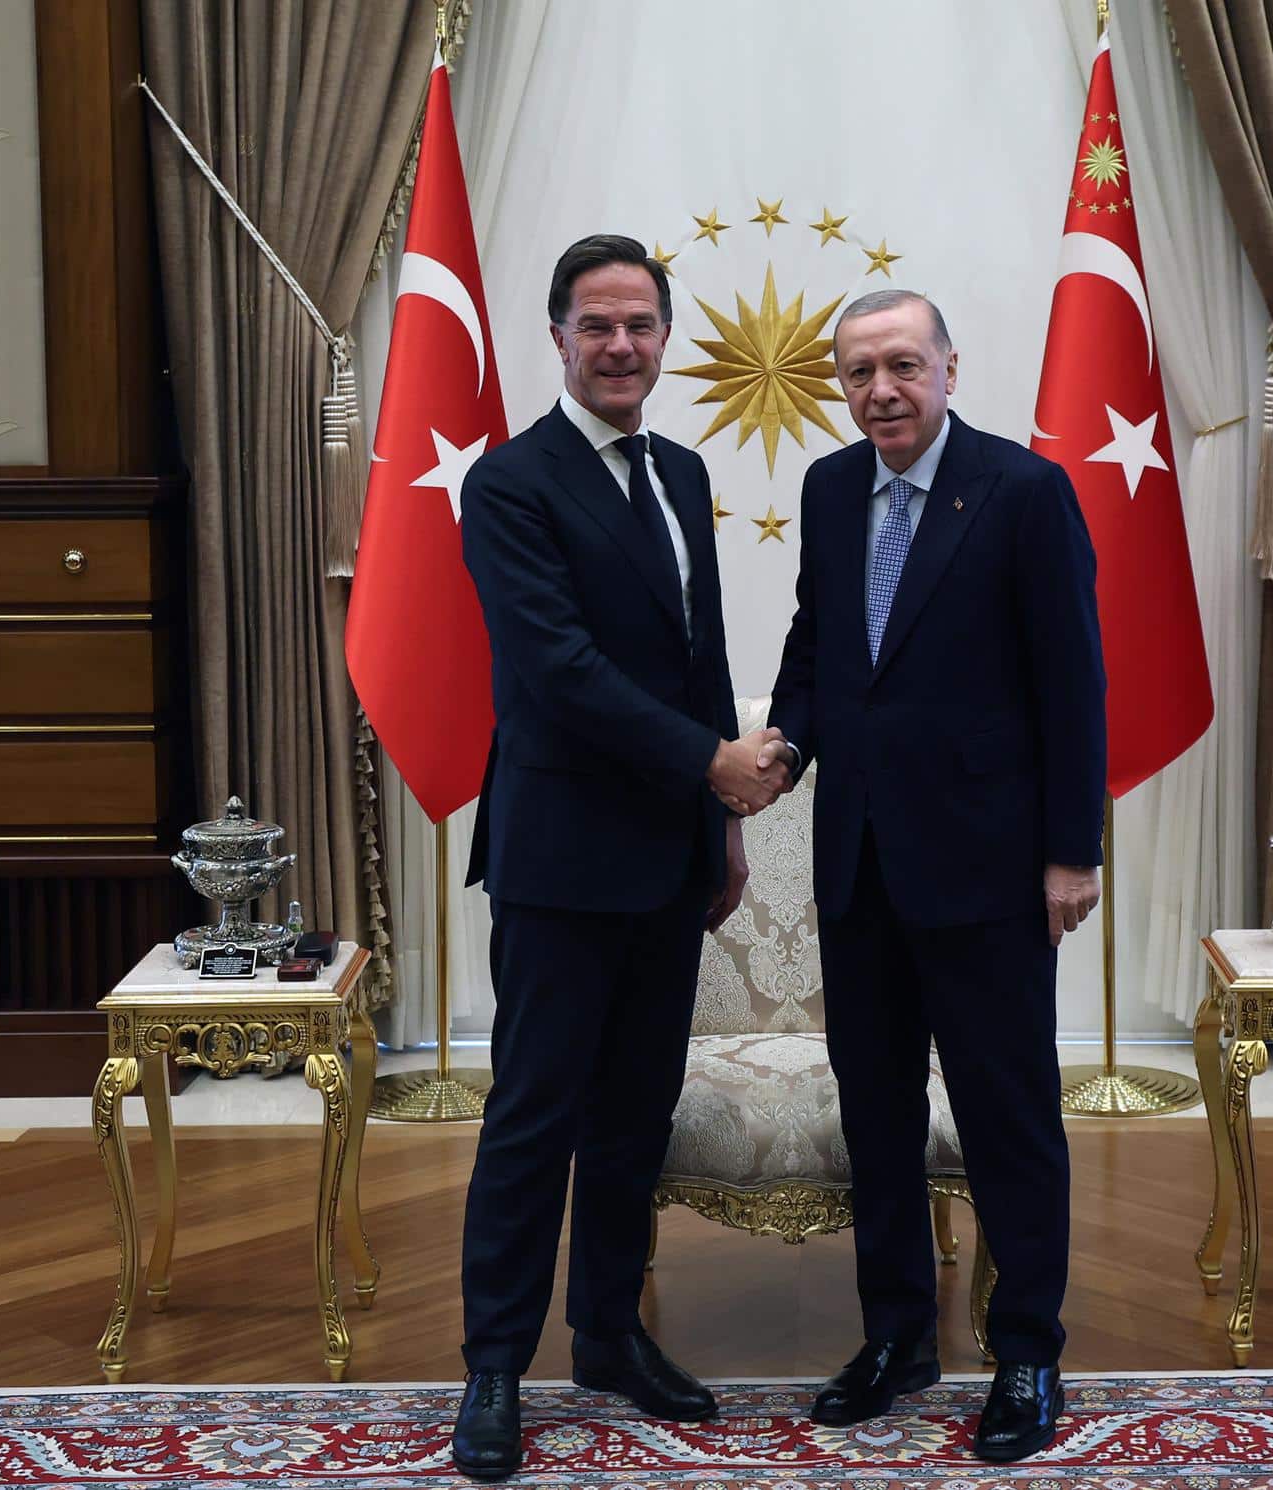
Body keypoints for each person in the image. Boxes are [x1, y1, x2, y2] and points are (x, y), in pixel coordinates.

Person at [451, 233, 791, 1481]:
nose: (620, 346)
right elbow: (560, 673)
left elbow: (698, 666)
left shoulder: (683, 468)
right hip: (558, 861)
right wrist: (710, 766)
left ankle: (606, 1335)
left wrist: (726, 827)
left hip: (666, 861)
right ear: (557, 337)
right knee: (535, 1115)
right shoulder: (511, 483)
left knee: (634, 1116)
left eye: (641, 324)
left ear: (663, 338)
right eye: (597, 325)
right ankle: (494, 1366)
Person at [763, 289, 1107, 1463]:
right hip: (857, 867)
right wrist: (783, 746)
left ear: (950, 367)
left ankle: (1025, 1348)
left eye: (903, 365)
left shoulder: (1022, 492)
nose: (881, 392)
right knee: (879, 1116)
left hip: (989, 875)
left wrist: (1073, 850)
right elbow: (818, 647)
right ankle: (899, 1334)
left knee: (1009, 1118)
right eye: (859, 372)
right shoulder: (827, 488)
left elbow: (1074, 684)